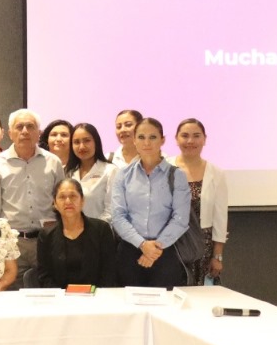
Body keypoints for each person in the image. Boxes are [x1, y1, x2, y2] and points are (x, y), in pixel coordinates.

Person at [0, 109, 65, 280]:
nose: (25, 131)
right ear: (10, 133)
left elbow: (61, 203)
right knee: (13, 290)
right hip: (12, 242)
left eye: (30, 126)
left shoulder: (53, 162)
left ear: (39, 132)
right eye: (19, 127)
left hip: (47, 239)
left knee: (48, 287)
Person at [110, 117, 189, 289]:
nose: (146, 143)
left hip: (164, 251)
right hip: (130, 251)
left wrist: (155, 248)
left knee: (164, 302)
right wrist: (142, 244)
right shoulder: (123, 175)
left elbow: (181, 218)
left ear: (162, 140)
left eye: (152, 137)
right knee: (130, 303)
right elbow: (118, 216)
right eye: (141, 137)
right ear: (134, 140)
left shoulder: (177, 175)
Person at [172, 118, 228, 285]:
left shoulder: (216, 173)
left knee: (199, 292)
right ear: (176, 139)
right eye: (185, 136)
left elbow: (220, 218)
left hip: (202, 245)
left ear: (204, 139)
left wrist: (217, 256)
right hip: (171, 242)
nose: (190, 141)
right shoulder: (164, 168)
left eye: (196, 136)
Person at [36, 178, 117, 289]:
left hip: (96, 295)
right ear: (55, 203)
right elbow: (44, 276)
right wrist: (63, 296)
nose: (68, 201)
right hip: (60, 297)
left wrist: (93, 294)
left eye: (73, 196)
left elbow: (109, 272)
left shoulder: (102, 230)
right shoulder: (46, 235)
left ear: (82, 200)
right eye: (62, 197)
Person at [65, 123, 115, 222]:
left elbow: (111, 211)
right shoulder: (68, 173)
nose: (81, 146)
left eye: (87, 140)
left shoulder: (110, 171)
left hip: (100, 229)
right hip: (71, 229)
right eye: (76, 142)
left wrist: (90, 228)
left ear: (96, 142)